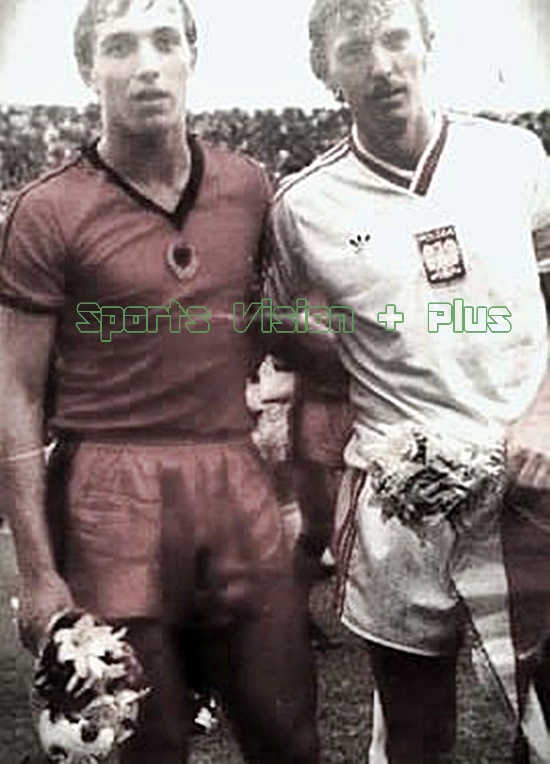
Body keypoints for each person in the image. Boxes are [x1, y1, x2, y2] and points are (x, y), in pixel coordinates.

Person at [0, 1, 319, 762]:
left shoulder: (247, 186)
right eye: (119, 47)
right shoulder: (46, 209)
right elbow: (15, 391)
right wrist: (37, 574)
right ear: (87, 70)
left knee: (289, 734)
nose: (146, 64)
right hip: (108, 492)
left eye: (164, 41)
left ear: (191, 57)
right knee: (149, 744)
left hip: (233, 477)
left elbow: (268, 323)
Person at [264, 0, 550, 761]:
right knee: (417, 732)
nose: (383, 64)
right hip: (399, 500)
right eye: (355, 50)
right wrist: (359, 363)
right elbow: (282, 326)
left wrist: (543, 411)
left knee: (547, 722)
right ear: (325, 73)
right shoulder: (301, 207)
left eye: (396, 39)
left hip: (528, 479)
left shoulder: (514, 156)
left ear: (429, 43)